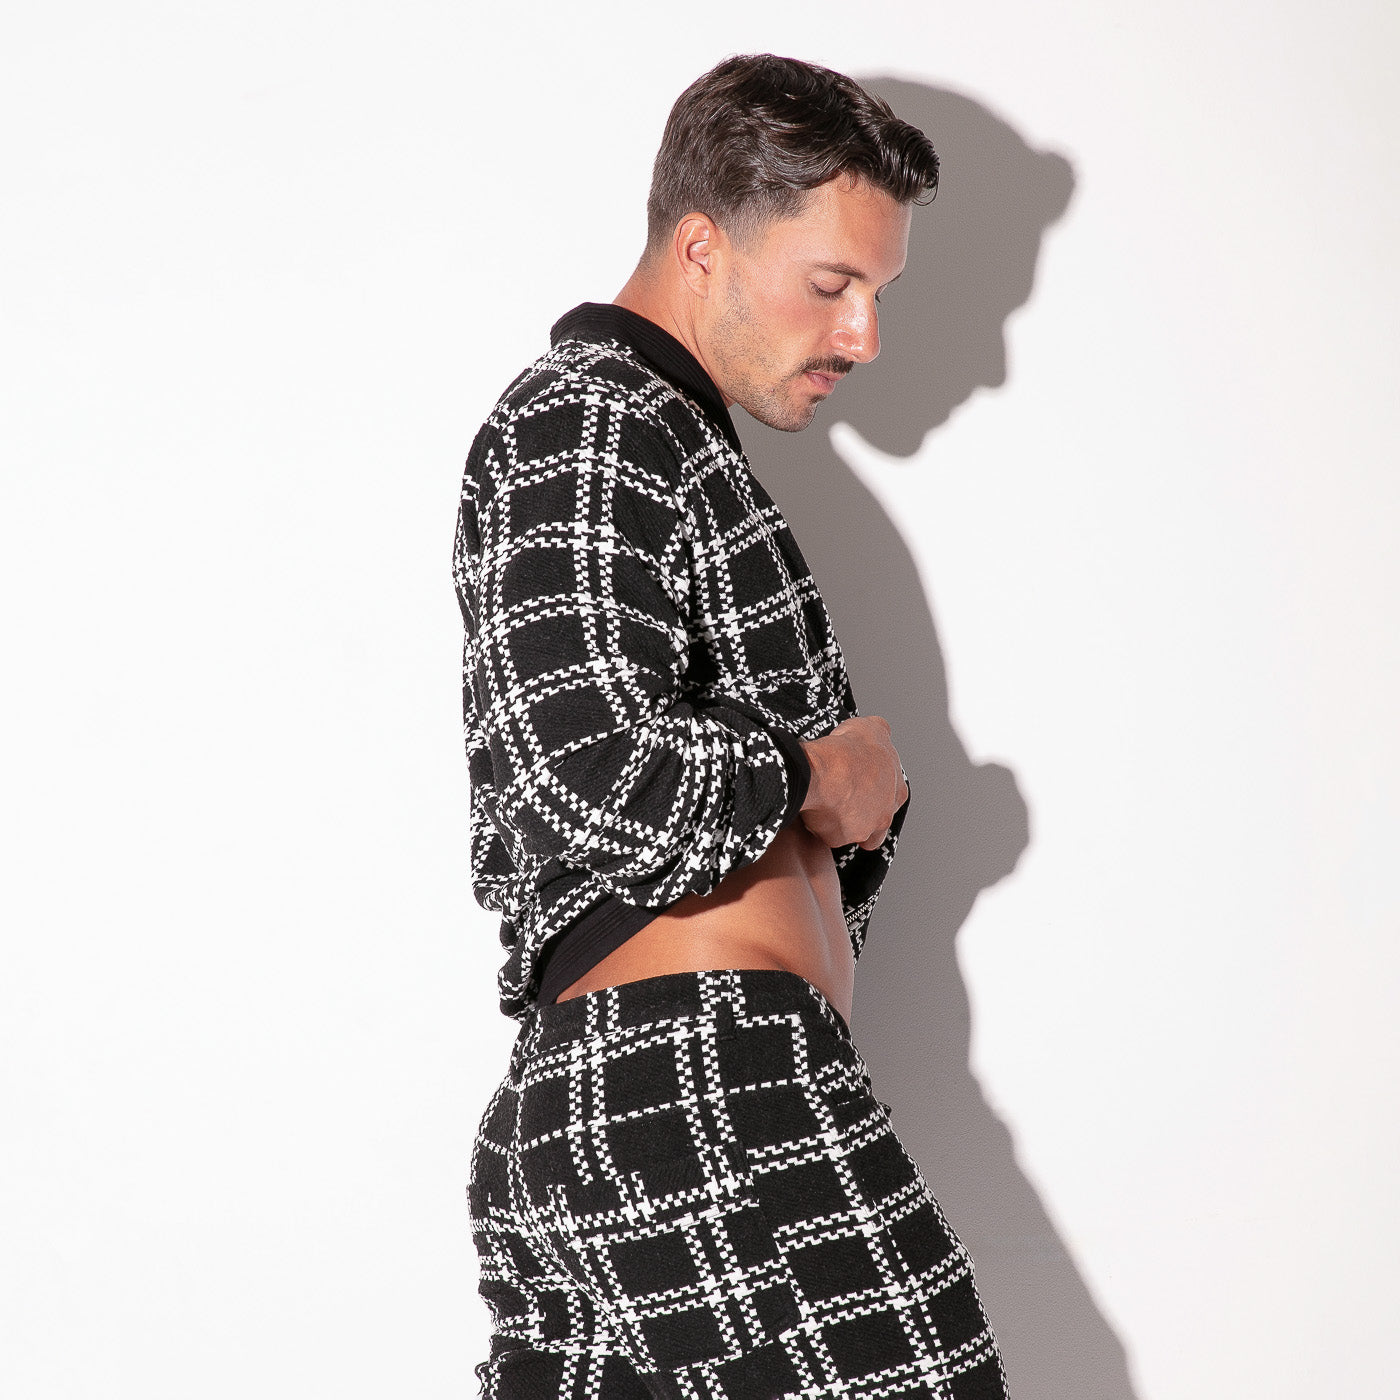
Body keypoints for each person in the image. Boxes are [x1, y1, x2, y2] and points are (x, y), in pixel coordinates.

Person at [455, 53, 1008, 1400]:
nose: (863, 336)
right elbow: (583, 772)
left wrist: (844, 818)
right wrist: (817, 777)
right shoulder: (588, 420)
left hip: (647, 1096)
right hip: (700, 1083)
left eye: (878, 294)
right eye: (832, 283)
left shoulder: (673, 445)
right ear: (702, 247)